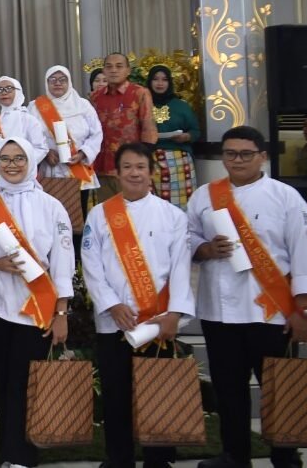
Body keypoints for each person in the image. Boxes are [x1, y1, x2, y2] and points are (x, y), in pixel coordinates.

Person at [187, 126, 307, 468]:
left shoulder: (285, 196)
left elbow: (305, 251)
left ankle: (285, 456)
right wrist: (204, 248)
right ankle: (234, 455)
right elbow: (187, 238)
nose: (237, 160)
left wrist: (303, 309)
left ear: (263, 156)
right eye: (230, 153)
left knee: (279, 389)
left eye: (246, 154)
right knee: (228, 389)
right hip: (219, 311)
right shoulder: (204, 195)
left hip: (270, 312)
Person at [80, 143, 194, 468]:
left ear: (151, 172)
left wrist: (174, 314)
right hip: (114, 322)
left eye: (140, 167)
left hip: (156, 323)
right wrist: (111, 304)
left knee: (158, 391)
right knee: (116, 395)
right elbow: (91, 266)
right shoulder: (99, 215)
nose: (134, 173)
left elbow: (181, 267)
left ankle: (158, 459)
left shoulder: (172, 215)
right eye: (127, 167)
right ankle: (119, 458)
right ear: (115, 174)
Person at [0, 137, 74, 468]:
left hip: (37, 310)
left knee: (24, 382)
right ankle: (8, 451)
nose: (12, 164)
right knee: (5, 381)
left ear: (30, 161)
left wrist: (61, 312)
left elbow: (62, 261)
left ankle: (21, 456)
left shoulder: (52, 207)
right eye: (5, 159)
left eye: (18, 158)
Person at [90, 53, 158, 200]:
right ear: (104, 71)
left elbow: (148, 129)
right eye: (109, 67)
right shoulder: (95, 97)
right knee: (109, 213)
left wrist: (142, 164)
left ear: (128, 70)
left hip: (131, 168)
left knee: (135, 211)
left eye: (119, 66)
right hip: (103, 166)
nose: (114, 70)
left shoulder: (139, 93)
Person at [30, 66, 102, 196]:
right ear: (47, 83)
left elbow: (96, 134)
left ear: (69, 82)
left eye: (62, 80)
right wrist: (45, 153)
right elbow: (28, 136)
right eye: (53, 80)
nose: (57, 83)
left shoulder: (83, 105)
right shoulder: (35, 107)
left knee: (79, 213)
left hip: (78, 168)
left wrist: (82, 153)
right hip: (49, 171)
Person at [146, 65, 200, 207]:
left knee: (180, 205)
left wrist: (186, 137)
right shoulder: (142, 104)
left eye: (164, 80)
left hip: (179, 162)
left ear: (169, 82)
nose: (160, 83)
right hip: (149, 159)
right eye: (155, 79)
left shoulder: (181, 106)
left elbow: (195, 131)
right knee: (152, 205)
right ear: (149, 82)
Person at [0, 77, 51, 174]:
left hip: (22, 172)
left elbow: (41, 148)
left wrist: (21, 164)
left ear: (18, 91)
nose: (4, 92)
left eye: (9, 88)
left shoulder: (29, 119)